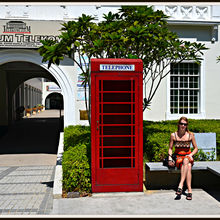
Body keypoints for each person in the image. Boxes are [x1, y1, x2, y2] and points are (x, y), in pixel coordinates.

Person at [168, 116, 198, 200]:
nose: (183, 126)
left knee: (186, 160)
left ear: (187, 125)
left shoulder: (190, 135)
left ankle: (180, 185)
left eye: (185, 124)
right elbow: (170, 148)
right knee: (188, 166)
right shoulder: (173, 135)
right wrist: (170, 158)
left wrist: (191, 155)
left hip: (188, 156)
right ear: (178, 124)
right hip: (178, 157)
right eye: (181, 124)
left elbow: (196, 148)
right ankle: (189, 191)